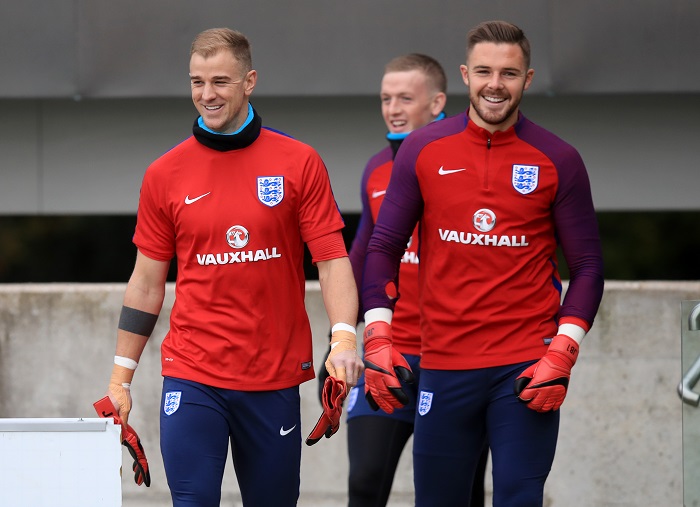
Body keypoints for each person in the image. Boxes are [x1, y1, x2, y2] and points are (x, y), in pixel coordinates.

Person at [98, 27, 363, 507]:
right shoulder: (164, 174)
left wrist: (344, 338)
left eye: (220, 81)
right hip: (193, 372)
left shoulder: (299, 162)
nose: (206, 94)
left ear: (249, 81)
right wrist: (120, 380)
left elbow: (331, 262)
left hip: (274, 377)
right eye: (196, 82)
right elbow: (145, 283)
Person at [360, 20, 604, 507]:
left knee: (518, 496)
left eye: (509, 73)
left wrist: (563, 351)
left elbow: (588, 266)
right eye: (485, 72)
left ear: (527, 79)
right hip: (444, 365)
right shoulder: (422, 150)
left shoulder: (560, 158)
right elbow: (383, 246)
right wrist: (378, 335)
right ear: (466, 75)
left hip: (525, 367)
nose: (496, 85)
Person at [326, 53, 488, 506]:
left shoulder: (468, 159)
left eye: (405, 98)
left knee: (460, 493)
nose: (393, 108)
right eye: (385, 98)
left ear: (438, 102)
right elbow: (361, 252)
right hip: (388, 351)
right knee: (365, 481)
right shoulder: (377, 169)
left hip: (456, 358)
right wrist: (340, 337)